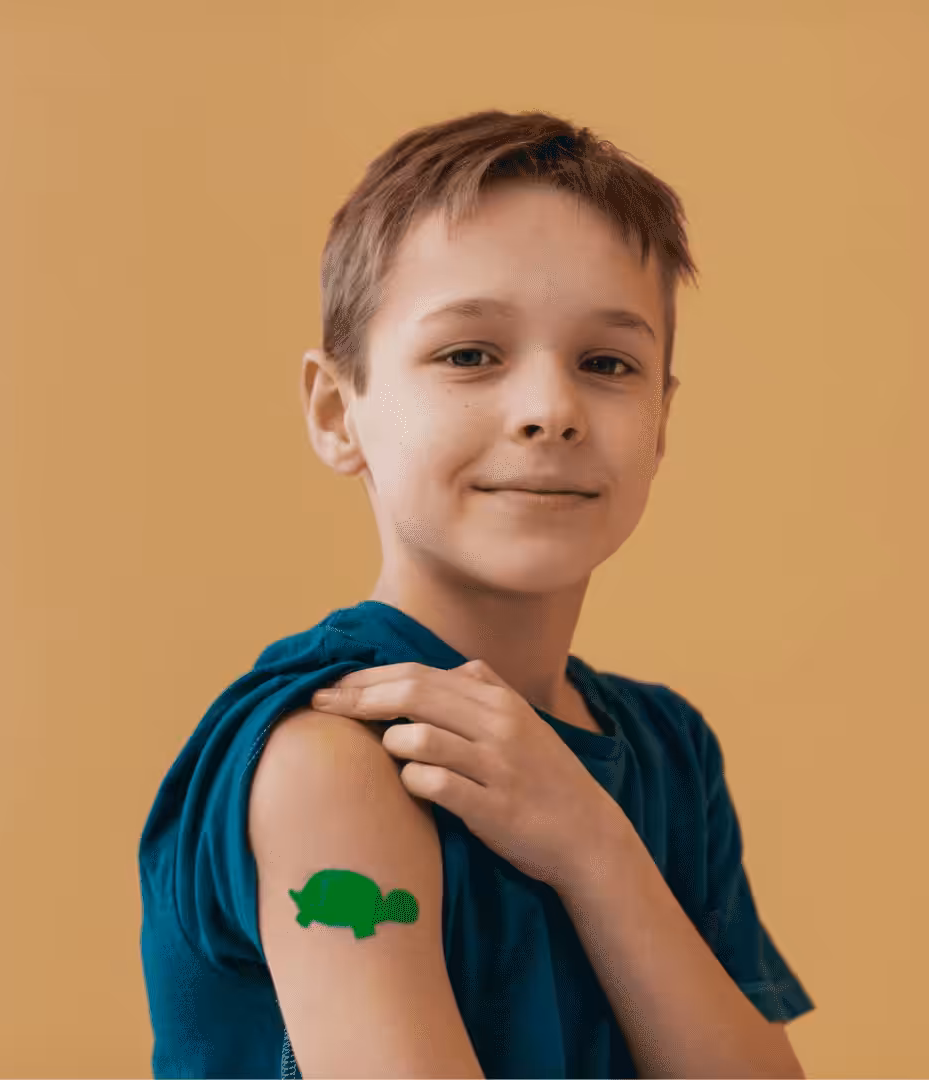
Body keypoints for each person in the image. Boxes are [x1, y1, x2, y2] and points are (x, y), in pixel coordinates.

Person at [136, 109, 813, 1078]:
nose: (550, 410)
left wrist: (592, 845)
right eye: (470, 355)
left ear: (662, 418)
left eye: (608, 364)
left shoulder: (669, 753)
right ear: (338, 413)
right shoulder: (333, 764)